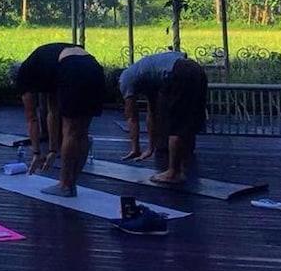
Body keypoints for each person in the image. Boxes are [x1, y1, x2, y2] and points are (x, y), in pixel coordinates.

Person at [16, 42, 105, 197]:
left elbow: (32, 118)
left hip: (72, 67)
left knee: (70, 130)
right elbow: (53, 112)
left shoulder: (24, 75)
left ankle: (64, 185)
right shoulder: (45, 66)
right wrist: (52, 150)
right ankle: (71, 184)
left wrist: (36, 152)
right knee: (81, 132)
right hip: (93, 66)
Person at [118, 51, 207, 184]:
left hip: (178, 72)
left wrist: (135, 149)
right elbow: (152, 113)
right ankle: (183, 167)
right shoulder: (146, 72)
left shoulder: (125, 78)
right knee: (188, 120)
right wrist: (150, 148)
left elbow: (132, 118)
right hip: (196, 69)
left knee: (175, 124)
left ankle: (173, 172)